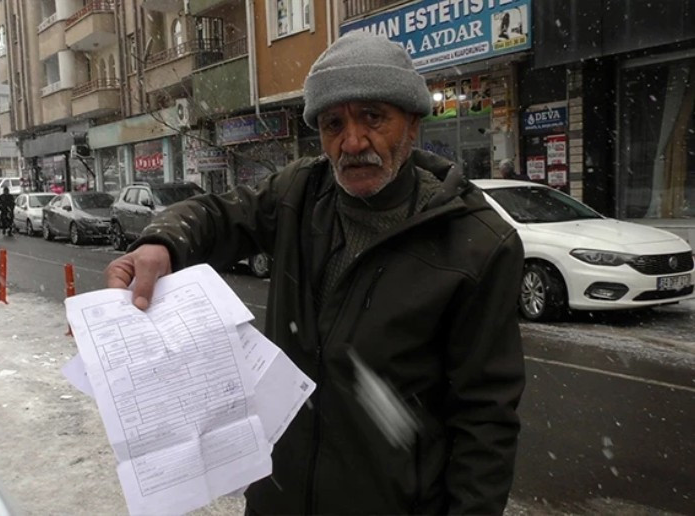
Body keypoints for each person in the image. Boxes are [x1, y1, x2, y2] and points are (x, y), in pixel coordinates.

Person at [105, 31, 525, 515]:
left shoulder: (477, 244)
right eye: (333, 124)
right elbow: (217, 215)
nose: (353, 141)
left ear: (412, 122)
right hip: (277, 500)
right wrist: (162, 242)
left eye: (372, 117)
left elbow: (485, 419)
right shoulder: (299, 194)